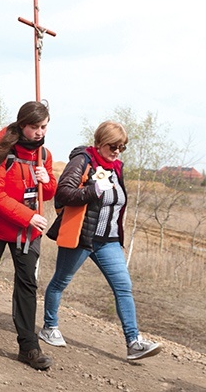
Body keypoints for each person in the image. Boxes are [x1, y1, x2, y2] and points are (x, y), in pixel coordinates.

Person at [41, 120, 162, 361]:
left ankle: (133, 342)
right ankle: (49, 327)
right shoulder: (83, 161)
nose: (117, 151)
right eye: (113, 146)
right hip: (82, 236)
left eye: (122, 147)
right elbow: (63, 193)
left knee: (123, 287)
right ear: (99, 143)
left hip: (109, 241)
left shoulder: (116, 167)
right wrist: (92, 190)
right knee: (60, 281)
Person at [0, 101, 56, 370]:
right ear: (22, 125)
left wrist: (47, 180)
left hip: (27, 232)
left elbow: (49, 193)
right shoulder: (1, 150)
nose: (40, 132)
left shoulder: (45, 155)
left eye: (43, 127)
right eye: (35, 127)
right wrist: (28, 216)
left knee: (27, 282)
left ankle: (29, 346)